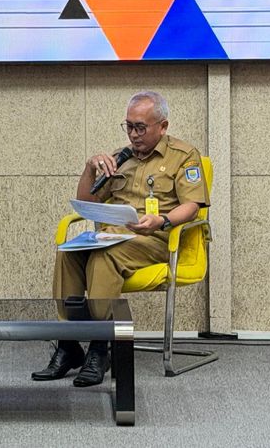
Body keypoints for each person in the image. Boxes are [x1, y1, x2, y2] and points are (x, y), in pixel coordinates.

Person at [33, 90, 209, 387]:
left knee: (105, 256)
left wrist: (162, 220)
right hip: (112, 235)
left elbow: (192, 206)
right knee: (68, 252)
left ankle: (100, 347)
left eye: (141, 127)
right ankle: (69, 344)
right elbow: (86, 201)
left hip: (154, 238)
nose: (134, 135)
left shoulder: (183, 156)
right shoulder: (120, 158)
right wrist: (90, 169)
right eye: (129, 126)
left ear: (162, 126)